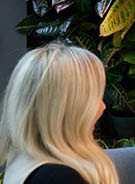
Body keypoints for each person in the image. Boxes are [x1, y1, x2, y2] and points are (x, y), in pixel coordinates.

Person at [0, 42, 118, 184]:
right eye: (94, 97)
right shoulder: (61, 177)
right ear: (68, 108)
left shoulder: (23, 160)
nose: (102, 107)